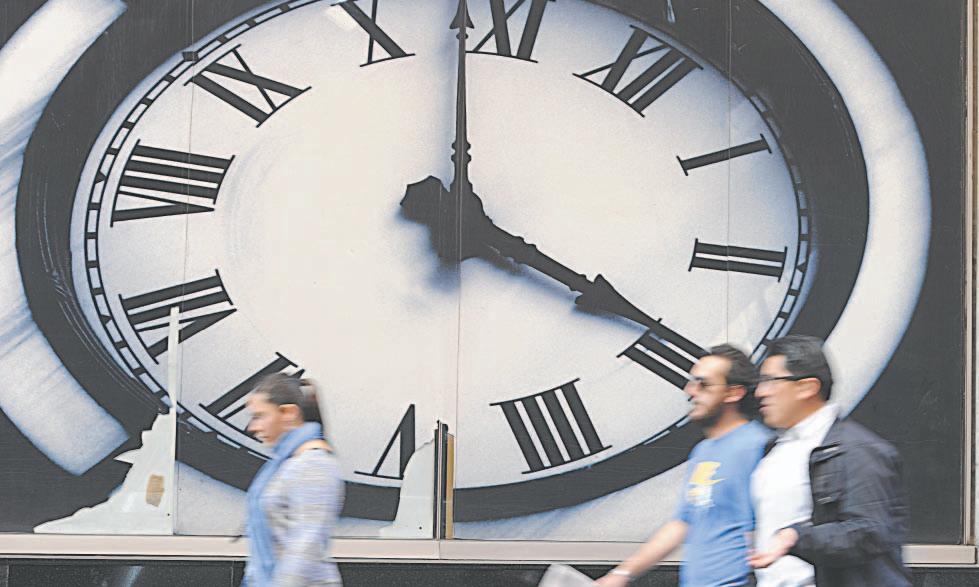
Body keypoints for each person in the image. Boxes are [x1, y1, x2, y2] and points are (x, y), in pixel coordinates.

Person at [596, 344, 772, 587]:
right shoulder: (703, 451)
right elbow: (682, 522)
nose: (690, 391)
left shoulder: (759, 446)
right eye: (692, 382)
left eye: (704, 384)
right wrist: (620, 575)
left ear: (734, 393)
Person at [748, 335, 910, 586]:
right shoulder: (774, 449)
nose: (760, 392)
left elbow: (869, 532)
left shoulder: (858, 449)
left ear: (807, 387)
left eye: (771, 381)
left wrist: (795, 538)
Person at [243, 374, 345, 587]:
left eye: (260, 416)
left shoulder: (314, 464)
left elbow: (307, 543)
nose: (252, 427)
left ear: (288, 413)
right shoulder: (286, 462)